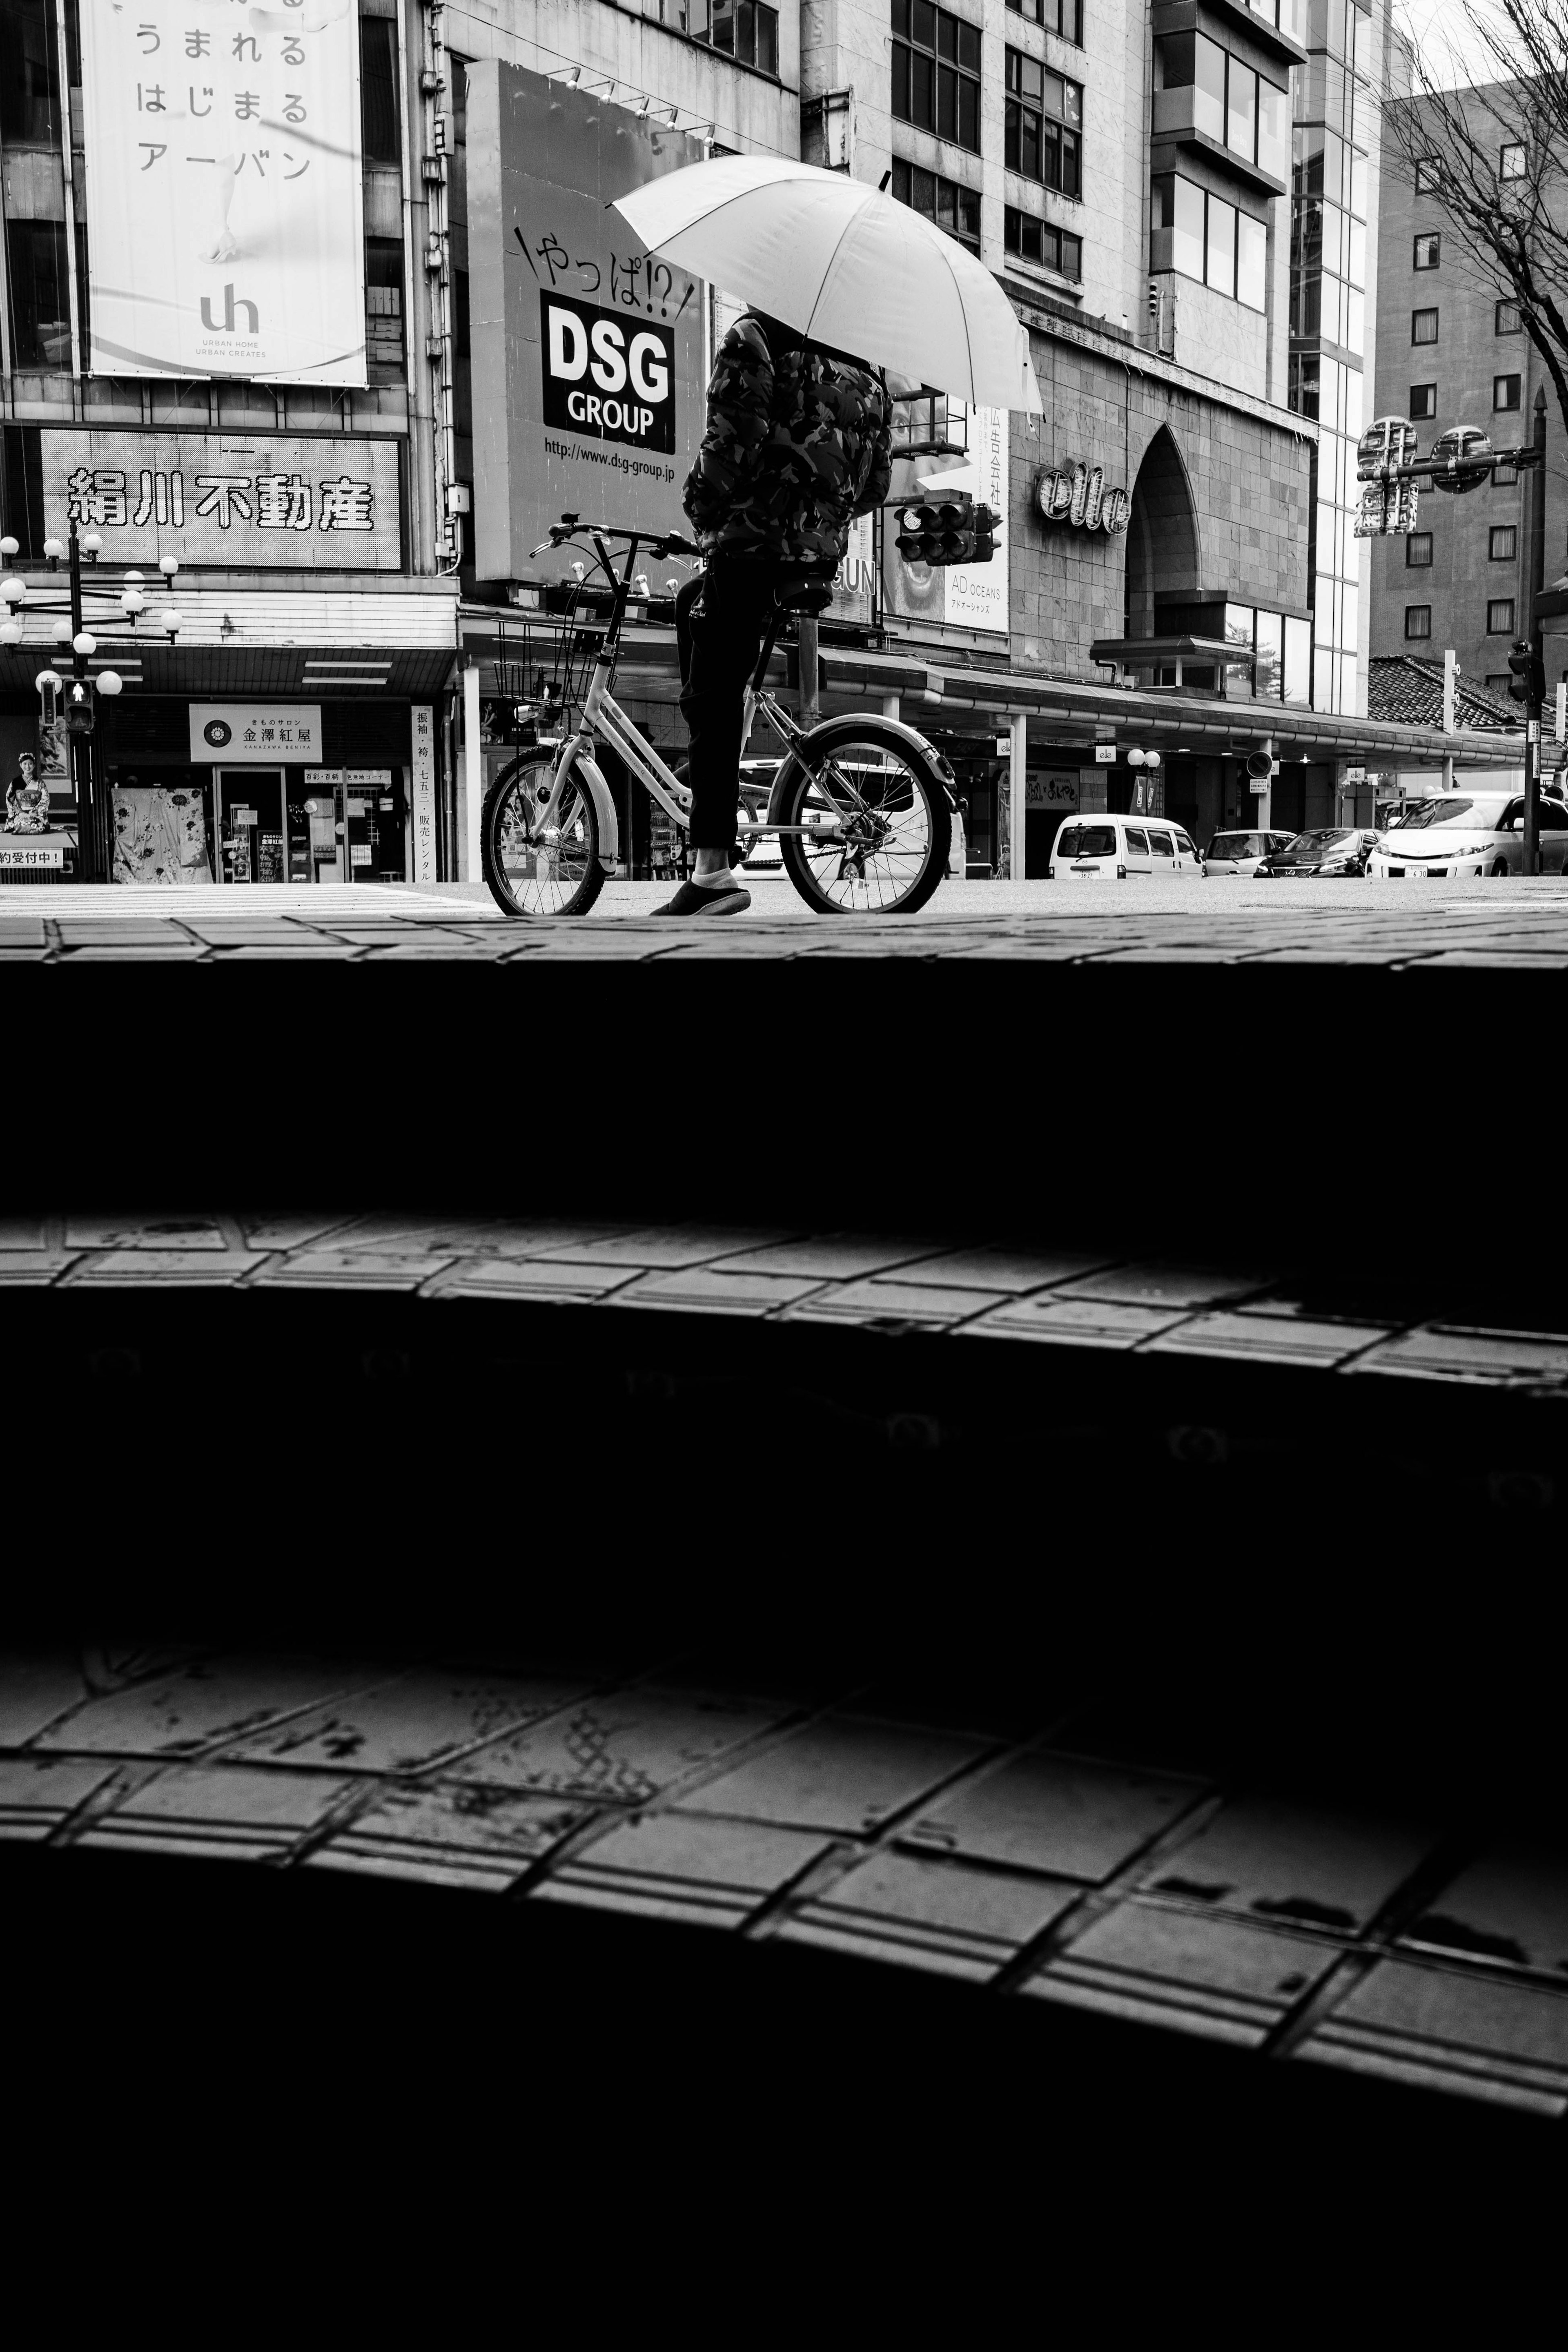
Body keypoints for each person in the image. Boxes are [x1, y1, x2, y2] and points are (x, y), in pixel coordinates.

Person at [659, 309, 892, 917]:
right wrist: (813, 517)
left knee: (709, 699)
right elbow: (874, 488)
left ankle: (711, 871)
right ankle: (728, 721)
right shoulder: (868, 372)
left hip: (753, 547)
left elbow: (732, 440)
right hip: (813, 559)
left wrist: (700, 509)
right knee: (692, 606)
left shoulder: (754, 339)